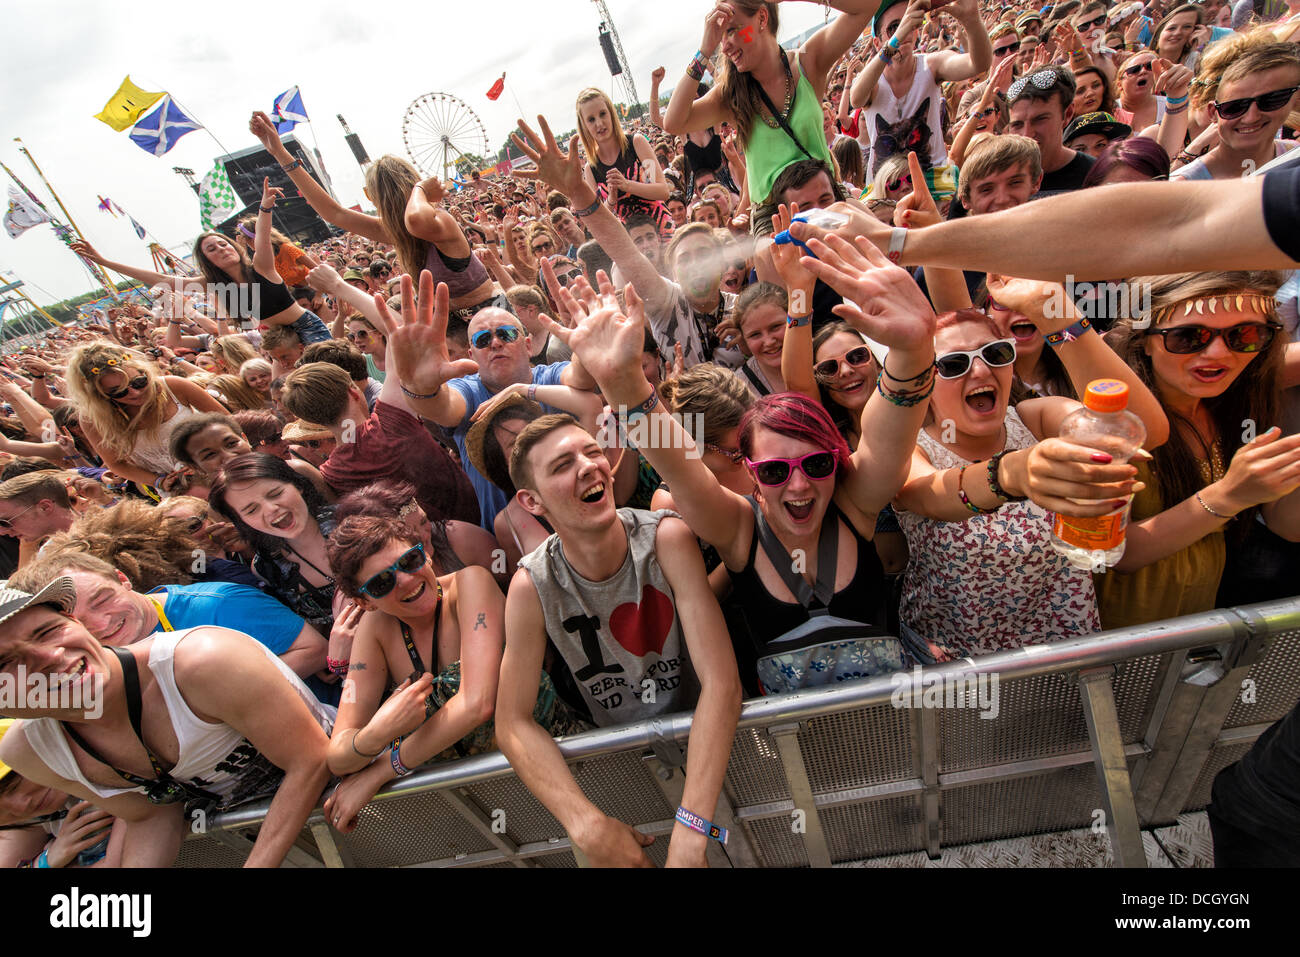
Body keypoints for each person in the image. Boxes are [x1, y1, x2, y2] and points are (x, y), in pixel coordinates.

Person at [496, 413, 743, 867]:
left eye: (593, 451)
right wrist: (584, 823)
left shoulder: (666, 537)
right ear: (531, 501)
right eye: (562, 465)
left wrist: (691, 827)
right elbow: (512, 721)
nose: (590, 466)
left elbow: (722, 683)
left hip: (719, 747)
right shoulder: (531, 585)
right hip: (627, 767)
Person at [0, 577, 334, 867]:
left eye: (48, 631)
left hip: (356, 801)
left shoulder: (201, 660)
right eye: (7, 662)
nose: (51, 657)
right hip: (284, 841)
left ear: (74, 620)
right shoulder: (31, 752)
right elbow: (153, 814)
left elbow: (310, 760)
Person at [320, 515, 581, 830]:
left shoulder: (471, 583)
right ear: (365, 601)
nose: (404, 580)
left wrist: (380, 770)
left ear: (426, 553)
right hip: (480, 808)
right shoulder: (375, 631)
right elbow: (337, 755)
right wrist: (378, 731)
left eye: (410, 560)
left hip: (563, 770)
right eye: (381, 583)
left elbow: (477, 703)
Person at [1093, 270, 1300, 629]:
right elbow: (1114, 554)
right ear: (1143, 339)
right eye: (1189, 337)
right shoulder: (1110, 422)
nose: (1219, 353)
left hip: (1198, 633)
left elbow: (1287, 524)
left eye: (1245, 335)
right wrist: (1227, 497)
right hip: (1113, 641)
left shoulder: (1240, 406)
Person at [379, 271, 596, 530]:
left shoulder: (548, 375)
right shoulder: (468, 391)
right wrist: (419, 388)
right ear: (472, 354)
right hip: (510, 545)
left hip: (582, 521)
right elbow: (442, 407)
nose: (494, 343)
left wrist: (587, 349)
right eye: (483, 340)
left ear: (528, 345)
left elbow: (580, 380)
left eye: (505, 334)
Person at [248, 112, 504, 321]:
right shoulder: (396, 230)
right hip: (452, 325)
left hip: (491, 315)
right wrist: (279, 153)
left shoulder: (440, 221)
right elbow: (332, 212)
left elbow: (414, 219)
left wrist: (422, 190)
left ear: (374, 197)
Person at [665, 1, 875, 236]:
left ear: (762, 18)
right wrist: (703, 52)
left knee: (879, 237)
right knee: (772, 261)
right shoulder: (730, 94)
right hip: (772, 213)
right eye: (720, 37)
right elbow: (673, 122)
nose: (723, 47)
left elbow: (867, 6)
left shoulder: (807, 61)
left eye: (732, 31)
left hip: (824, 194)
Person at [11, 547, 329, 680]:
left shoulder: (219, 604)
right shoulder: (83, 667)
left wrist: (218, 705)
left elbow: (315, 651)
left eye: (102, 599)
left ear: (122, 579)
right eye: (76, 620)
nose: (102, 624)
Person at [279, 329, 480, 528]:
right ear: (354, 392)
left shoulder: (332, 476)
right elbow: (397, 332)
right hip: (480, 527)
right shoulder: (392, 421)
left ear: (312, 421)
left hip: (421, 555)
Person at [850, 0, 992, 182]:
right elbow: (856, 99)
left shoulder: (932, 65)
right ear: (878, 43)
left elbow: (979, 64)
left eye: (911, 22)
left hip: (936, 183)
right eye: (895, 27)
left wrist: (972, 21)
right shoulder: (872, 80)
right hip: (887, 188)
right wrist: (895, 40)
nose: (904, 31)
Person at [63, 344, 227, 492]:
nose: (135, 392)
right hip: (179, 490)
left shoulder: (173, 386)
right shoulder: (93, 419)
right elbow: (115, 464)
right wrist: (158, 481)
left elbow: (228, 421)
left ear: (144, 372)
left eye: (139, 382)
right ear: (101, 396)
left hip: (221, 468)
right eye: (119, 391)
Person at [1172, 31, 1300, 180]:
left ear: (1294, 100)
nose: (1251, 117)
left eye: (1270, 101)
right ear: (1213, 112)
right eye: (1234, 108)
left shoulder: (1293, 157)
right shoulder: (1183, 185)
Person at [578, 88, 674, 238]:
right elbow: (598, 222)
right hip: (632, 242)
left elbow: (663, 191)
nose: (599, 123)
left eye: (603, 114)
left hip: (663, 231)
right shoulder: (591, 169)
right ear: (584, 125)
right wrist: (611, 199)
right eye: (591, 119)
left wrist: (627, 185)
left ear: (611, 113)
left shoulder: (637, 143)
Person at [1006, 65, 1096, 194]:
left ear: (1067, 114)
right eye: (1017, 125)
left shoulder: (1096, 176)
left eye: (1040, 119)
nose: (1027, 134)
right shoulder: (998, 179)